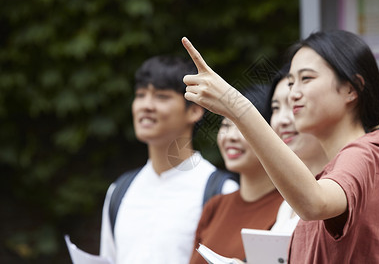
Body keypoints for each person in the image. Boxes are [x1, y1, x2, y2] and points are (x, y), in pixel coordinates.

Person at [181, 30, 379, 263]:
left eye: (306, 79)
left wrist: (237, 107)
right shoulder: (350, 161)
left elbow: (315, 203)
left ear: (351, 89)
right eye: (291, 83)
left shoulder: (365, 153)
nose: (294, 94)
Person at [99, 55, 239, 264]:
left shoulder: (221, 191)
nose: (146, 105)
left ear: (194, 110)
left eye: (161, 96)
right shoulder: (119, 191)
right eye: (140, 94)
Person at [189, 85, 284, 264]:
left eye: (241, 126)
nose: (230, 136)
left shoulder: (290, 209)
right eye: (226, 124)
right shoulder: (215, 207)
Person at [268, 64, 328, 233]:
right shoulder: (287, 205)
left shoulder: (343, 191)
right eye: (275, 108)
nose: (282, 120)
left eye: (293, 105)